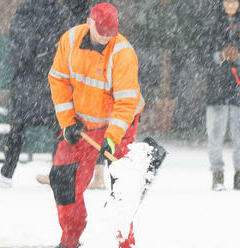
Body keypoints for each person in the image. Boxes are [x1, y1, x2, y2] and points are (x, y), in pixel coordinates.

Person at [48, 3, 145, 248]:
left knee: (122, 188)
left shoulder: (123, 53)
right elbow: (58, 81)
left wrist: (112, 137)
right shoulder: (69, 40)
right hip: (82, 123)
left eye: (110, 31)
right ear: (89, 22)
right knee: (62, 179)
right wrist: (67, 122)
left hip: (119, 124)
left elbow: (125, 103)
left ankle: (125, 243)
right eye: (100, 29)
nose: (105, 36)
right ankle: (70, 238)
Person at [35, 0, 107, 190]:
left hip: (83, 68)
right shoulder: (74, 13)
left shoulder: (74, 13)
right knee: (73, 123)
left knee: (86, 123)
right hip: (76, 65)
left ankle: (67, 173)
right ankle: (73, 173)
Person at [0, 0, 71, 188]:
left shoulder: (25, 11)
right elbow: (64, 46)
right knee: (60, 128)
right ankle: (57, 172)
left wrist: (28, 58)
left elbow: (18, 47)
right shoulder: (60, 12)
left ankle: (7, 173)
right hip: (49, 82)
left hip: (28, 82)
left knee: (17, 129)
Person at [205, 0, 240, 191]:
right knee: (215, 134)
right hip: (217, 88)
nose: (230, 5)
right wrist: (220, 56)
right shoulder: (212, 25)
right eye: (227, 1)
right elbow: (202, 55)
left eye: (234, 1)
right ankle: (217, 176)